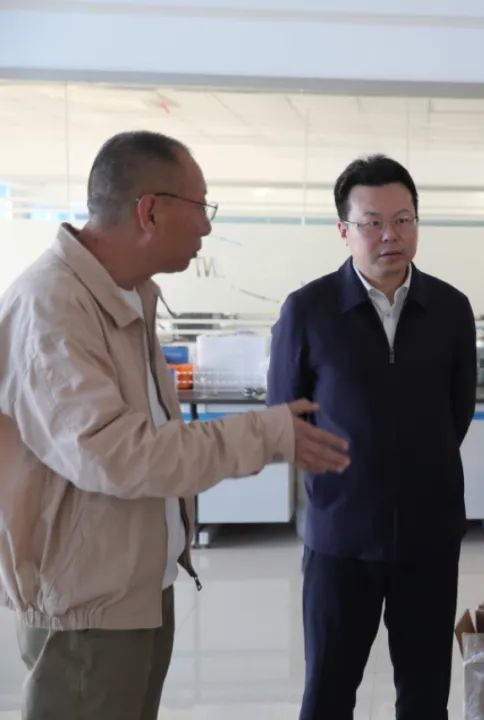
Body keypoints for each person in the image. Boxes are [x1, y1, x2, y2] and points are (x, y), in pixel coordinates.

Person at [0, 130, 351, 720]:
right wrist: (265, 434)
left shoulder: (124, 295)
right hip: (86, 610)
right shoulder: (53, 307)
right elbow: (119, 455)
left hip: (133, 590)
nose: (207, 226)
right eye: (201, 206)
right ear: (150, 211)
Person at [267, 155, 477, 720]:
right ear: (344, 230)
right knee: (329, 691)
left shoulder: (451, 309)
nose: (391, 235)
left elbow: (457, 413)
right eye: (373, 222)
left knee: (425, 694)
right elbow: (285, 417)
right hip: (341, 534)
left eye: (404, 220)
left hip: (429, 534)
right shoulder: (308, 310)